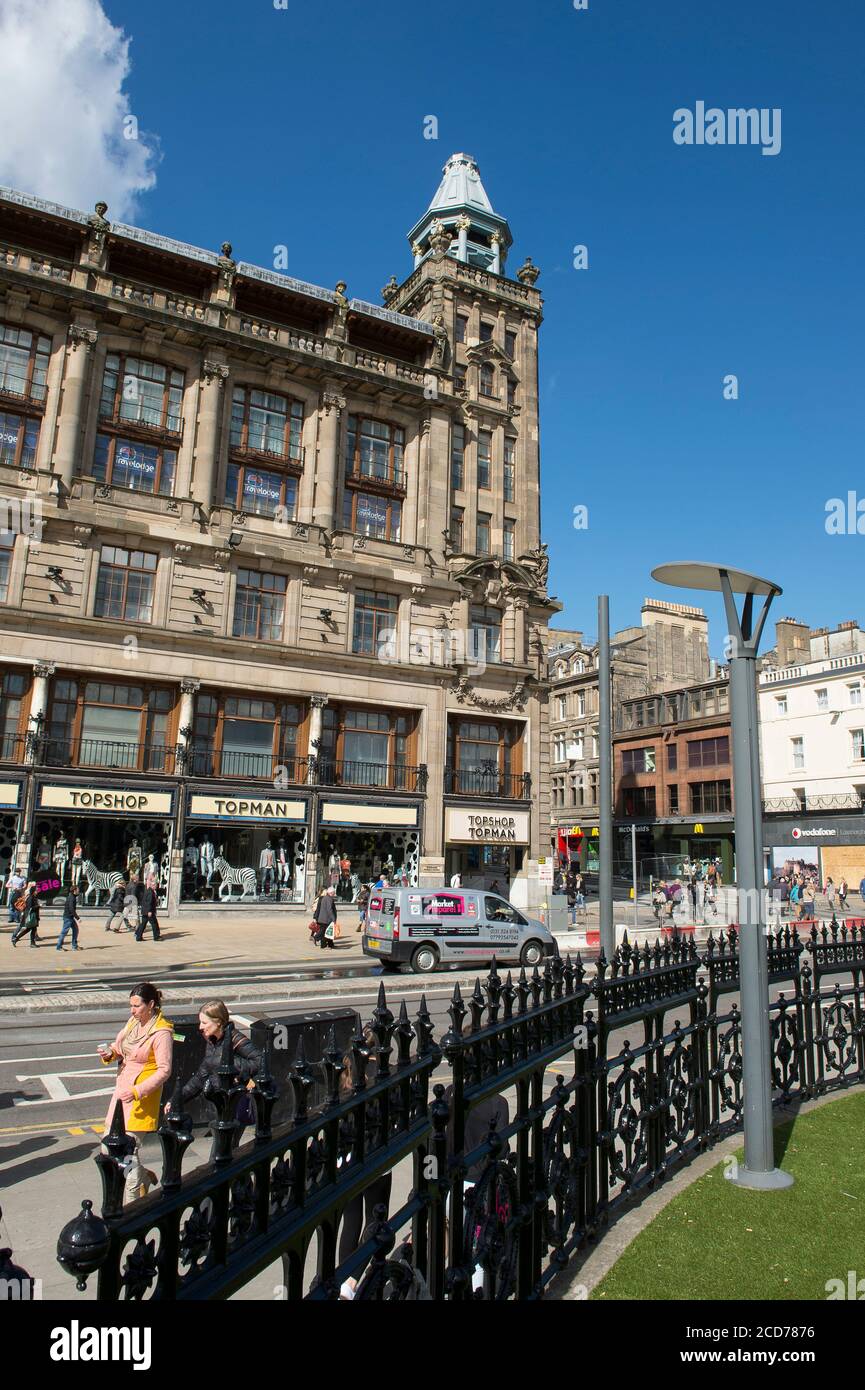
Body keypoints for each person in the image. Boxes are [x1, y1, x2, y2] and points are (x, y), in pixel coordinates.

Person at [98, 983, 173, 1203]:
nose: (132, 1010)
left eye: (136, 1006)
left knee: (128, 1150)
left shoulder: (162, 1032)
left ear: (150, 1005)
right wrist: (110, 1052)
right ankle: (143, 1176)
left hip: (140, 1098)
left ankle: (134, 1203)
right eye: (130, 1005)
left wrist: (138, 1091)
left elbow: (165, 1070)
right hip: (122, 1092)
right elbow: (121, 1047)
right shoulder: (133, 1022)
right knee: (107, 1145)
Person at [167, 1000, 260, 1144]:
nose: (200, 1027)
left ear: (218, 1022)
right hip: (218, 1107)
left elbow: (259, 1061)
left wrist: (229, 1063)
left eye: (204, 1023)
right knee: (224, 1155)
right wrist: (176, 1099)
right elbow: (200, 1077)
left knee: (221, 1155)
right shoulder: (213, 1042)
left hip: (232, 1105)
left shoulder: (236, 1039)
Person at [11, 883, 39, 947]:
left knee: (30, 929)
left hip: (33, 916)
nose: (37, 891)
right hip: (30, 916)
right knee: (31, 929)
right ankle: (31, 943)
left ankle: (16, 939)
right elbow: (29, 907)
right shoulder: (30, 898)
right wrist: (38, 906)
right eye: (36, 890)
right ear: (33, 891)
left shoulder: (33, 897)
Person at [57, 886, 82, 951]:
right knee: (64, 932)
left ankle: (74, 946)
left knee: (75, 930)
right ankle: (59, 947)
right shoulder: (72, 898)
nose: (79, 891)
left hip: (70, 917)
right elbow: (71, 909)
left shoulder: (72, 897)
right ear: (74, 891)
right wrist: (78, 918)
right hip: (68, 918)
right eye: (78, 890)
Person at [313, 885, 338, 949]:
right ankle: (323, 945)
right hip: (326, 919)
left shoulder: (325, 898)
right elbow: (329, 910)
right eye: (333, 892)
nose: (334, 894)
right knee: (325, 933)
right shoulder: (329, 899)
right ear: (331, 893)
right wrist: (333, 918)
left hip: (323, 918)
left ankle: (330, 944)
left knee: (328, 932)